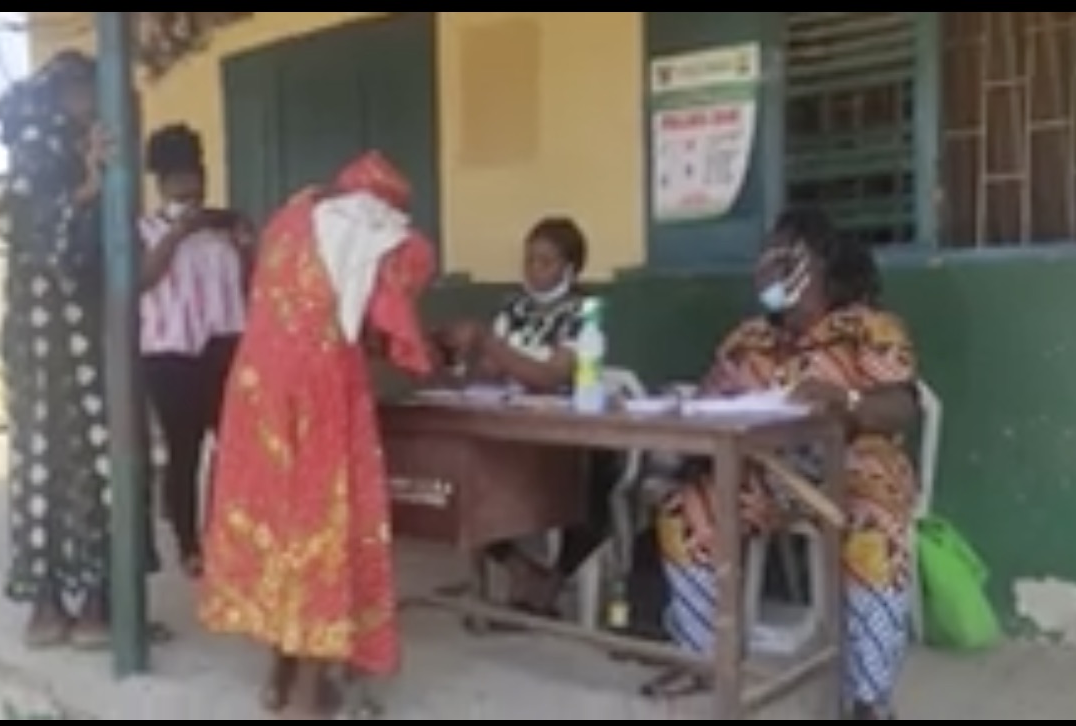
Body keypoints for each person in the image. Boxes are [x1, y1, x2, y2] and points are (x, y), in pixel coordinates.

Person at [651, 209, 920, 719]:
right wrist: (713, 395)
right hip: (763, 475)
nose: (765, 268)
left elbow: (903, 405)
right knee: (684, 512)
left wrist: (848, 400)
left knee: (873, 534)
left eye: (780, 257)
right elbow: (710, 403)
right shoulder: (749, 337)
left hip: (855, 472)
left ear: (815, 264)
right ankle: (701, 659)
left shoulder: (868, 327)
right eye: (764, 256)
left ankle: (869, 700)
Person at [197, 151, 437, 719]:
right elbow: (393, 326)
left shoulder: (290, 218)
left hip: (256, 388)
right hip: (322, 391)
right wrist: (419, 353)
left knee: (276, 526)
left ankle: (278, 677)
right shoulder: (378, 233)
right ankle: (311, 695)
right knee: (321, 529)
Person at [436, 217, 624, 621]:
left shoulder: (583, 312)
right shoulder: (513, 308)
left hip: (570, 436)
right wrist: (471, 356)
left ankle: (555, 578)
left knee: (593, 481)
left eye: (545, 262)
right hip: (512, 429)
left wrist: (491, 344)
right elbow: (491, 370)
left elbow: (552, 377)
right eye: (529, 261)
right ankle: (522, 570)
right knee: (466, 481)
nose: (533, 271)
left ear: (570, 268)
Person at [0, 50, 116, 648]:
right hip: (42, 336)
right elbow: (39, 239)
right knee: (44, 461)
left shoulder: (84, 144)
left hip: (87, 330)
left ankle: (96, 597)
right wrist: (88, 189)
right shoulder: (36, 154)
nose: (88, 101)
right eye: (78, 92)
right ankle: (46, 601)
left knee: (99, 460)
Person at [139, 122, 251, 577]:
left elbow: (250, 284)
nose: (192, 184)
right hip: (171, 353)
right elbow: (142, 280)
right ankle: (189, 544)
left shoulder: (224, 229)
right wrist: (178, 233)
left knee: (236, 447)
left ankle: (236, 538)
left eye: (197, 174)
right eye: (181, 176)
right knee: (184, 451)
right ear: (162, 183)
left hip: (226, 346)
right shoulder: (144, 229)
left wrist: (245, 245)